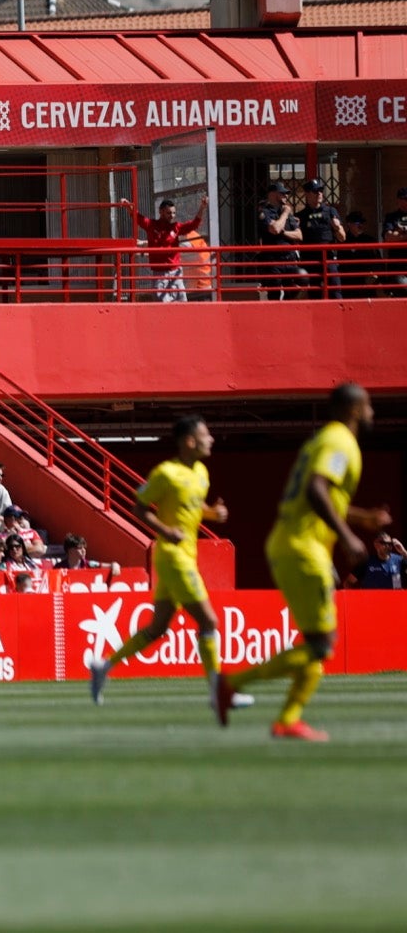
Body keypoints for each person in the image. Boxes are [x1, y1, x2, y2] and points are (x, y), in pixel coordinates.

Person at [219, 383, 392, 741]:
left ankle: (287, 719)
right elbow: (316, 490)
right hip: (303, 547)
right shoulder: (340, 441)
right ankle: (231, 684)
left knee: (317, 643)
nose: (373, 412)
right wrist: (347, 536)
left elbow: (321, 495)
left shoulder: (324, 440)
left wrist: (361, 519)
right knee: (321, 645)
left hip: (296, 544)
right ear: (355, 409)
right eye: (369, 406)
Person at [88, 416, 236, 713]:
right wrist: (166, 531)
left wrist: (212, 513)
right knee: (209, 621)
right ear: (189, 441)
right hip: (173, 556)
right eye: (206, 435)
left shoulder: (201, 473)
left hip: (186, 555)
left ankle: (104, 666)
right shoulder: (166, 473)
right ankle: (218, 692)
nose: (212, 440)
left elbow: (192, 506)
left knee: (157, 629)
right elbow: (138, 507)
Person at [122, 196, 203, 304]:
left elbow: (193, 225)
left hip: (176, 272)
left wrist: (202, 207)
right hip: (159, 273)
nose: (172, 216)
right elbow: (138, 218)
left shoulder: (176, 227)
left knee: (182, 303)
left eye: (174, 213)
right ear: (161, 212)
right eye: (169, 213)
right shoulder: (151, 225)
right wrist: (128, 207)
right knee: (161, 303)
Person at [294, 178, 344, 298]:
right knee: (314, 294)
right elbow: (296, 239)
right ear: (307, 194)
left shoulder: (331, 211)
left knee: (335, 292)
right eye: (315, 191)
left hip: (328, 259)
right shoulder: (301, 216)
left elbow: (342, 238)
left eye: (321, 190)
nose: (319, 193)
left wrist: (337, 227)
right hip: (310, 260)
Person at [256, 181, 302, 301]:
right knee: (274, 295)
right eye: (282, 193)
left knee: (293, 293)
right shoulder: (265, 213)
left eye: (286, 194)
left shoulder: (287, 214)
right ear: (272, 194)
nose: (286, 196)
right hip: (274, 261)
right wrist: (286, 213)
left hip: (290, 259)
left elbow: (299, 235)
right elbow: (275, 229)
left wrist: (284, 232)